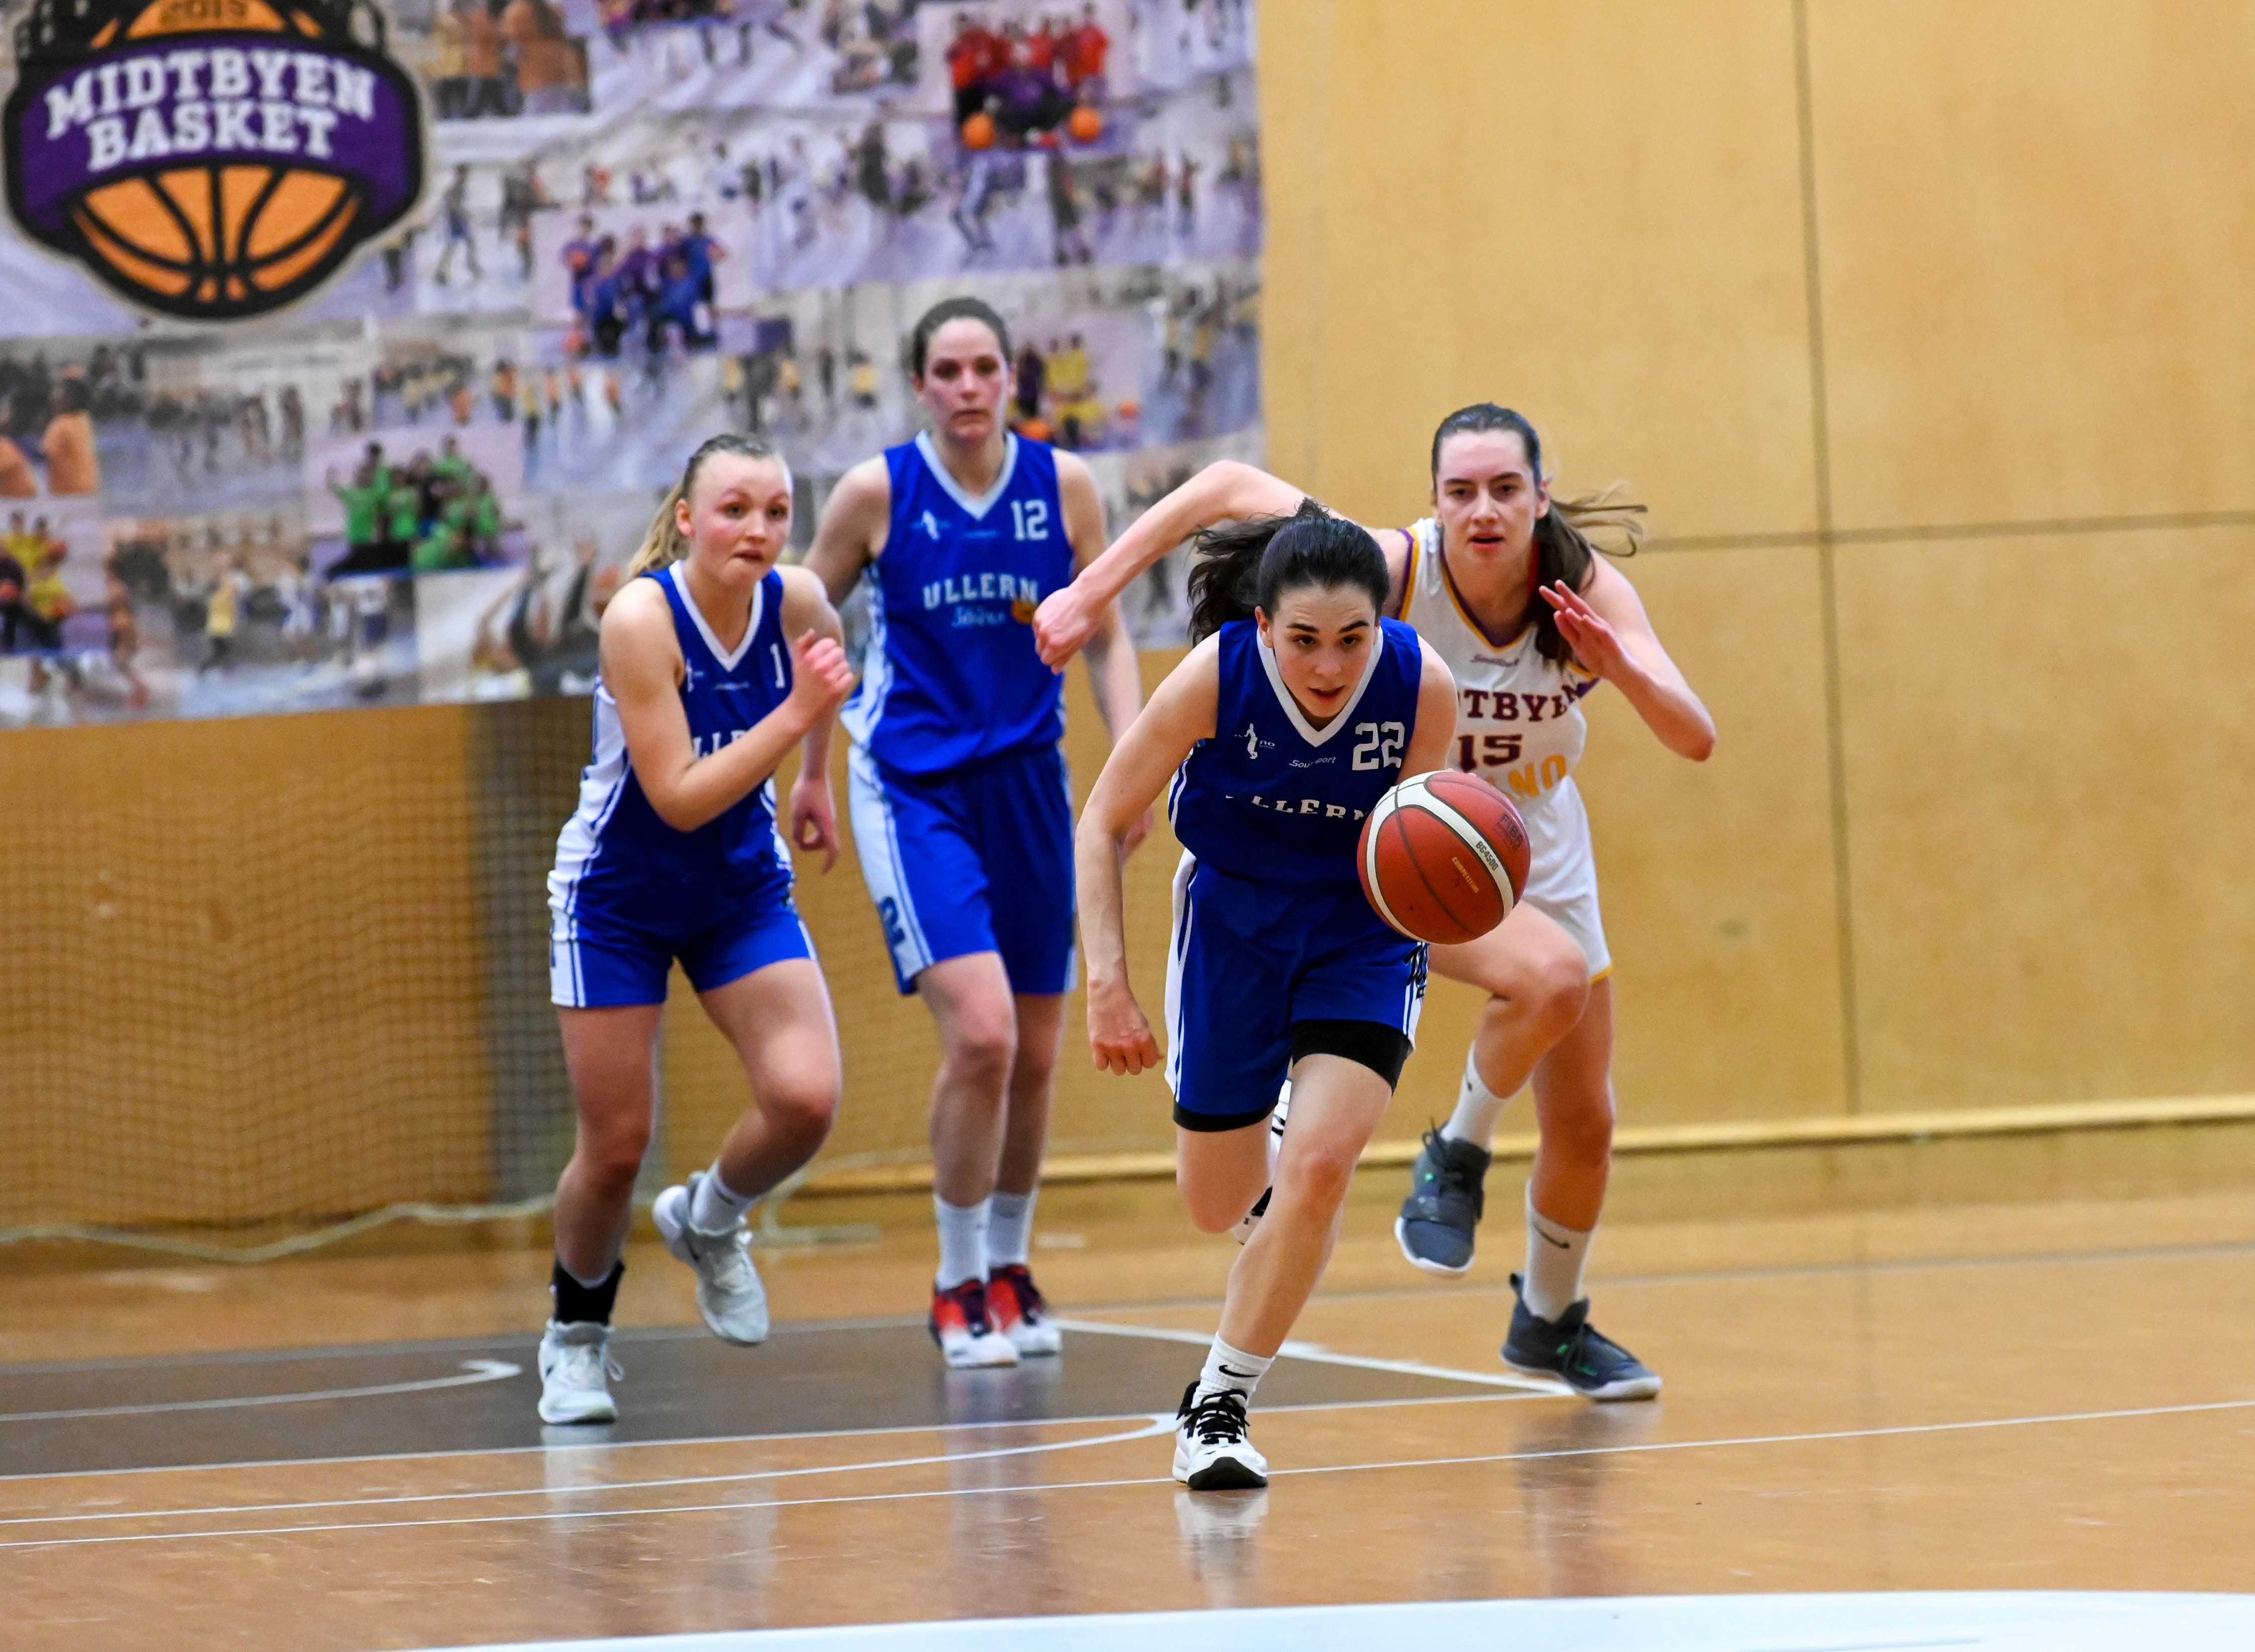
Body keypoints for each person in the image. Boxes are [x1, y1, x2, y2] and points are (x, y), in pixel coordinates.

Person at [1036, 403, 1715, 1400]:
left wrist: (1616, 666)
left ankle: (1548, 1317)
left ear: (1539, 493)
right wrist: (1088, 590)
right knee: (1545, 974)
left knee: (1585, 1120)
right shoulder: (1387, 571)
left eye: (1504, 488)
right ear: (1432, 503)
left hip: (1519, 847)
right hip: (1392, 858)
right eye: (1459, 491)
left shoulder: (1581, 589)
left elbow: (1693, 733)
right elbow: (1224, 491)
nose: (1481, 509)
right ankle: (1448, 1151)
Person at [1076, 502, 1458, 1486]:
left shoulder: (1421, 688)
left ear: (1383, 625)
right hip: (1232, 928)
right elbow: (1100, 821)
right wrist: (1106, 985)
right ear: (1260, 628)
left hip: (1358, 931)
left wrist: (1458, 876)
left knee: (1322, 1171)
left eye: (1349, 639)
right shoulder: (1215, 678)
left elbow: (1421, 842)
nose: (1327, 665)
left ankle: (1219, 1401)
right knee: (1215, 1204)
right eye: (1302, 640)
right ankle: (1278, 1140)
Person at [804, 296, 1146, 1369]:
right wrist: (808, 768)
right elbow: (805, 624)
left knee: (1038, 1053)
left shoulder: (1065, 487)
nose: (965, 386)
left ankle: (1008, 1263)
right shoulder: (876, 492)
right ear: (918, 384)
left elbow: (1107, 639)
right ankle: (953, 1280)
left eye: (983, 367)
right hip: (914, 787)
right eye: (944, 369)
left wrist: (1129, 774)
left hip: (1029, 784)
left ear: (1010, 380)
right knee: (986, 1034)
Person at [537, 433, 857, 1425]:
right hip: (618, 896)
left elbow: (828, 667)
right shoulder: (640, 617)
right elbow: (675, 795)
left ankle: (709, 1218)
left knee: (806, 1099)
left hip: (735, 886)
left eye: (774, 512)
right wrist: (794, 718)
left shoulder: (795, 599)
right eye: (733, 510)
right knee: (617, 1144)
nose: (756, 530)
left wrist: (812, 779)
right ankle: (575, 1338)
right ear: (686, 515)